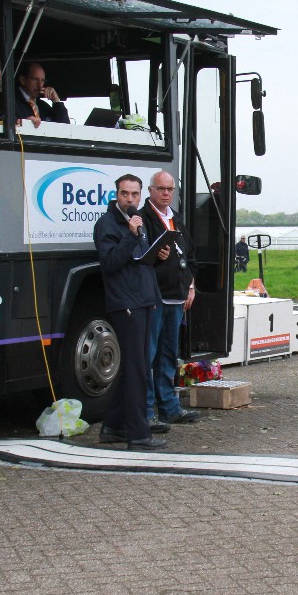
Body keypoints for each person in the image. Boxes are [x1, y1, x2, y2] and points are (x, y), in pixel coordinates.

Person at [92, 173, 166, 451]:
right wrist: (131, 236)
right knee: (137, 369)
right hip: (125, 303)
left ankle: (113, 426)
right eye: (125, 194)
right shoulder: (107, 224)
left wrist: (158, 256)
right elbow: (110, 262)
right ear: (116, 195)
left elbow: (140, 262)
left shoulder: (139, 222)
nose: (130, 199)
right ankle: (138, 434)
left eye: (135, 194)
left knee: (131, 366)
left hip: (143, 300)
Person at [141, 170, 202, 428]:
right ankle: (145, 411)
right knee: (148, 356)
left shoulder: (176, 219)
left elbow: (190, 256)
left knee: (168, 355)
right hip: (154, 298)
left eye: (170, 189)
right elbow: (137, 258)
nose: (166, 193)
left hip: (177, 298)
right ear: (150, 190)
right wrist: (155, 256)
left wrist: (191, 286)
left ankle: (169, 407)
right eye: (161, 189)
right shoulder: (143, 219)